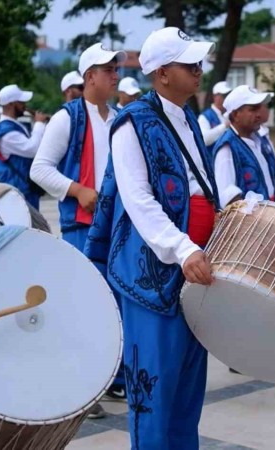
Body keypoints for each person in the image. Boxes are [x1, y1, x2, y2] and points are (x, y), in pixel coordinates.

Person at [86, 27, 218, 449]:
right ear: (161, 73)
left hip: (193, 270)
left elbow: (201, 190)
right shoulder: (132, 123)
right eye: (189, 64)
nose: (199, 70)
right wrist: (182, 248)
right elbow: (139, 199)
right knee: (154, 393)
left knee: (187, 391)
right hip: (154, 275)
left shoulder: (188, 119)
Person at [31, 43, 127, 418]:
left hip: (114, 226)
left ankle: (106, 379)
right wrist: (76, 189)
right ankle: (80, 388)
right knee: (82, 309)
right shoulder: (66, 117)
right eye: (108, 70)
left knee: (112, 307)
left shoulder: (118, 117)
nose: (115, 75)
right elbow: (39, 169)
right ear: (90, 77)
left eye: (115, 69)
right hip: (81, 228)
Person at [213, 85, 275, 207]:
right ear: (236, 114)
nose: (259, 114)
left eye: (259, 108)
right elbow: (227, 194)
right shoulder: (227, 146)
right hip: (251, 222)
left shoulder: (259, 139)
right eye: (253, 109)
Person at [0, 84, 48, 208]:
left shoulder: (15, 125)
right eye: (21, 102)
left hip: (25, 191)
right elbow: (33, 149)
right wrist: (39, 124)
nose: (25, 105)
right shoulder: (7, 132)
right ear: (10, 104)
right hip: (17, 194)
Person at [199, 80, 232, 156]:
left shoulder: (230, 114)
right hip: (212, 162)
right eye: (224, 95)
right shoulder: (205, 117)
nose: (226, 98)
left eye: (228, 95)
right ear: (215, 97)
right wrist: (224, 126)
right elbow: (204, 139)